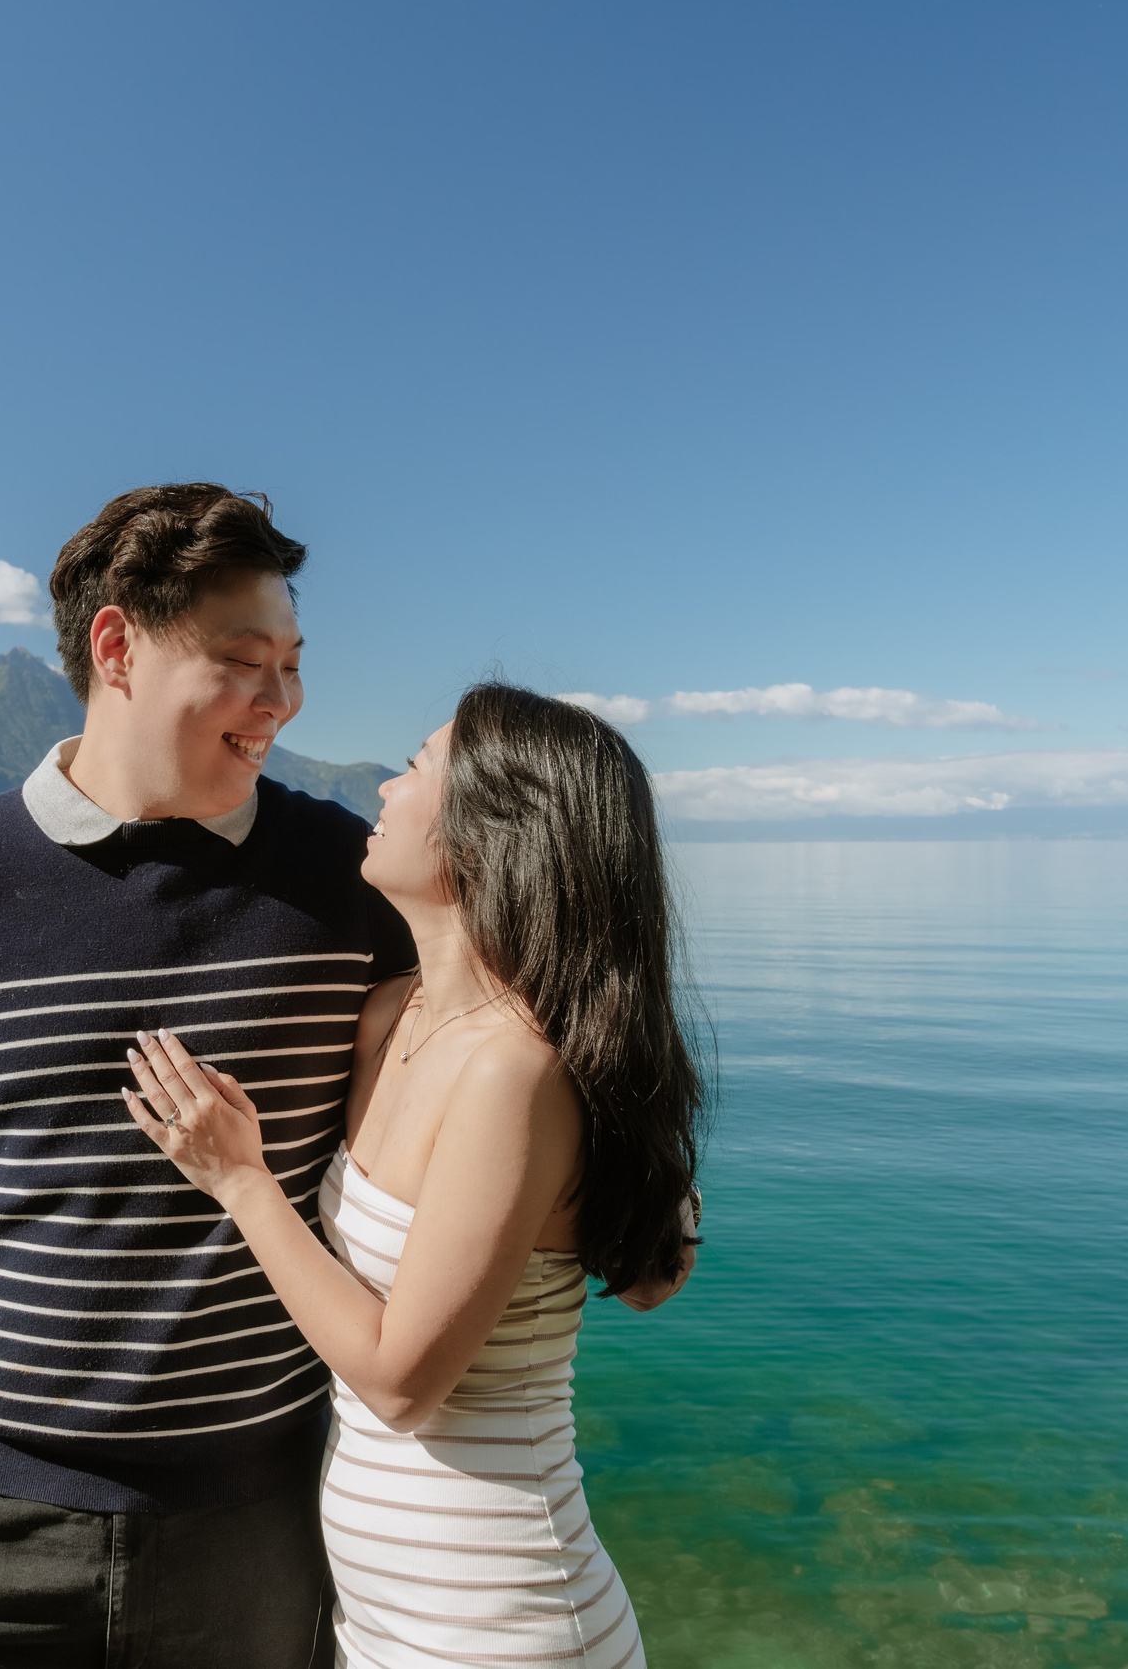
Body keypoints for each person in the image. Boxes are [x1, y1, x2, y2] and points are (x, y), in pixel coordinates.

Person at [0, 483, 417, 1668]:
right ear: (116, 646)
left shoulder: (353, 875)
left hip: (260, 1528)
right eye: (246, 662)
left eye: (292, 663)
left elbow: (490, 1053)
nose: (282, 701)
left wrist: (633, 1169)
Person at [123, 683, 705, 1669]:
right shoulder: (392, 1012)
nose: (386, 788)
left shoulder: (513, 1068)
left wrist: (242, 1182)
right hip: (389, 1617)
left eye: (418, 764)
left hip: (503, 1623)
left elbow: (400, 1381)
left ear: (492, 830)